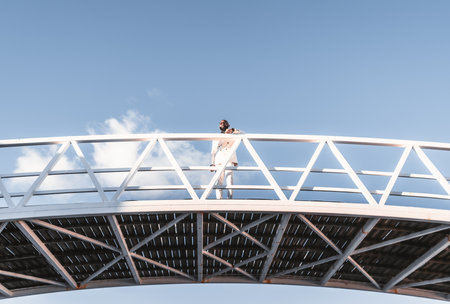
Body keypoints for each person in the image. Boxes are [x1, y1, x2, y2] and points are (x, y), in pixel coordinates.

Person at [210, 119, 240, 199]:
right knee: (219, 181)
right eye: (220, 123)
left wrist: (233, 130)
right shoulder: (217, 137)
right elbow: (213, 151)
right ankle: (219, 200)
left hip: (230, 159)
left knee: (229, 179)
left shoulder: (234, 135)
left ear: (227, 124)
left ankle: (230, 199)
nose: (222, 124)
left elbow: (244, 134)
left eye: (224, 122)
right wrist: (212, 163)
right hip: (219, 160)